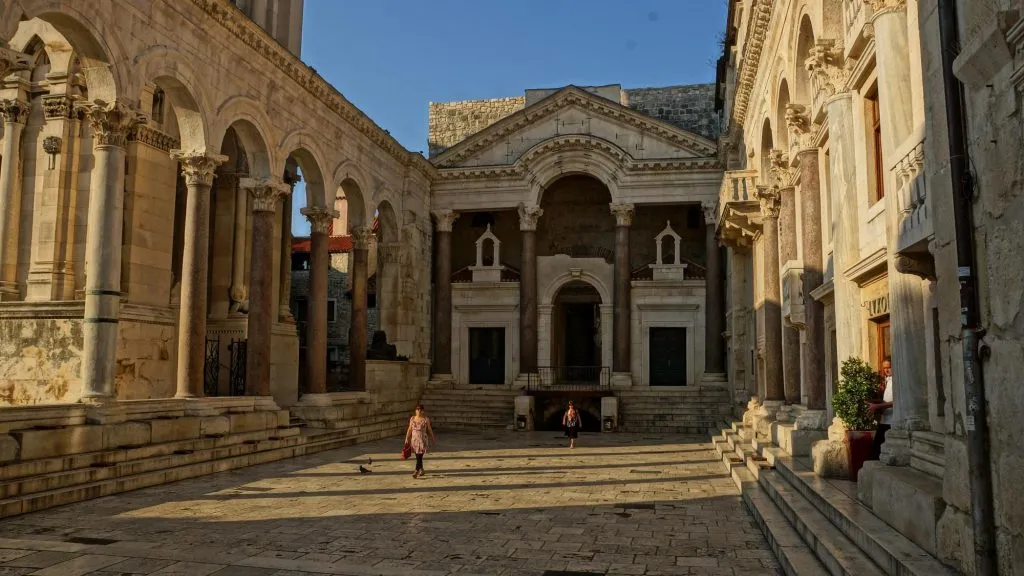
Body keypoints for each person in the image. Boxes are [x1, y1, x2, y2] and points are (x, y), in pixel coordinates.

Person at [868, 357, 894, 460]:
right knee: (876, 451)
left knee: (877, 452)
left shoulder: (896, 382)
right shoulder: (888, 380)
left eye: (889, 367)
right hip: (884, 420)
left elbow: (898, 402)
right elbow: (888, 400)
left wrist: (878, 406)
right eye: (884, 368)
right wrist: (876, 402)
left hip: (891, 422)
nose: (886, 370)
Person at [404, 404, 436, 478]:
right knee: (417, 456)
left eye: (420, 410)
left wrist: (433, 437)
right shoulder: (412, 418)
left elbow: (429, 429)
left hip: (422, 439)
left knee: (419, 455)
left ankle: (416, 470)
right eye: (417, 409)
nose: (418, 411)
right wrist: (406, 438)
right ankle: (422, 469)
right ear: (415, 410)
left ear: (422, 411)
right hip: (414, 439)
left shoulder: (425, 419)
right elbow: (409, 429)